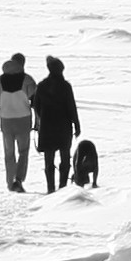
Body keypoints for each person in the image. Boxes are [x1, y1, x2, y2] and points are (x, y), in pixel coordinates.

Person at [0, 52, 37, 192]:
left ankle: (10, 182)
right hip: (24, 120)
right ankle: (18, 180)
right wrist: (38, 122)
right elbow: (36, 103)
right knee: (23, 151)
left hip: (6, 121)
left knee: (9, 153)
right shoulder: (27, 80)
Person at [32, 55, 81, 191]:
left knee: (49, 159)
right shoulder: (65, 86)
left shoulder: (42, 86)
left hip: (47, 127)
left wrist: (42, 119)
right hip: (64, 127)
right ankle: (63, 188)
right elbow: (71, 107)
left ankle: (50, 189)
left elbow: (36, 106)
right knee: (65, 158)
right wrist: (77, 125)